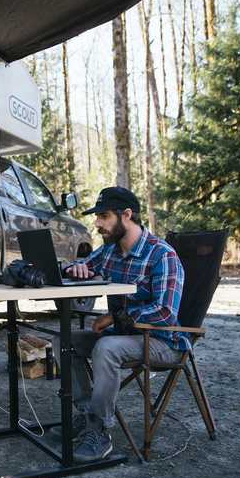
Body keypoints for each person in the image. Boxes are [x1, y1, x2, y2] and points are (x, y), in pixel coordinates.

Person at [58, 186, 186, 462]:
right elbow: (80, 265)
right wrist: (75, 269)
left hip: (162, 342)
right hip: (123, 335)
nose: (98, 223)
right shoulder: (109, 252)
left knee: (106, 347)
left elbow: (165, 313)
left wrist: (115, 319)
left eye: (104, 216)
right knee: (65, 340)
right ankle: (87, 415)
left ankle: (100, 432)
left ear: (126, 215)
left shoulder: (162, 255)